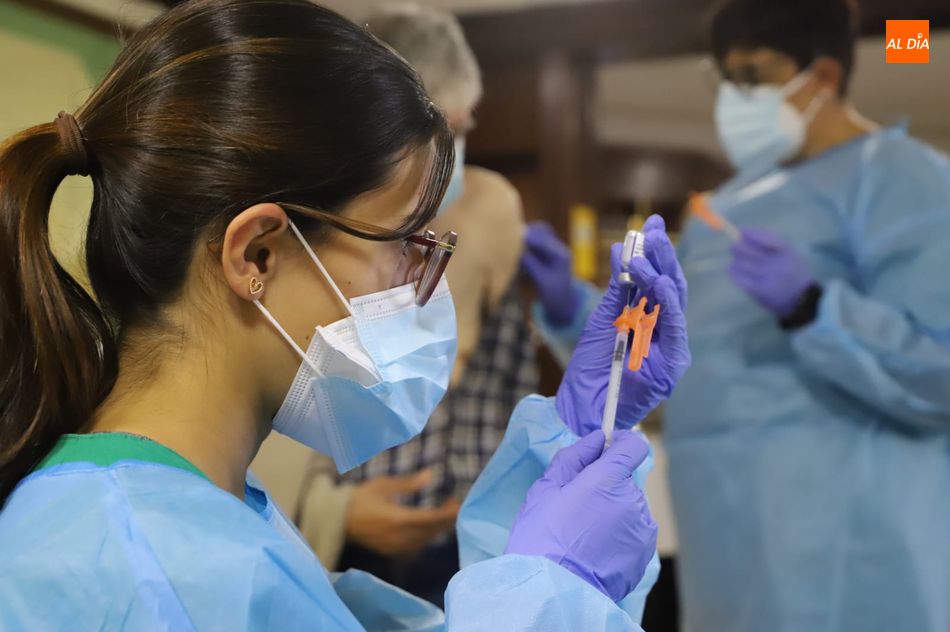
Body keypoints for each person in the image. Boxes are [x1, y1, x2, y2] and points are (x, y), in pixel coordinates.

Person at [0, 1, 691, 629]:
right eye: (401, 244)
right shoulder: (136, 561)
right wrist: (554, 592)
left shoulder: (196, 517)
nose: (421, 289)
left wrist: (571, 441)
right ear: (258, 256)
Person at [665, 1, 950, 630]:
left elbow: (941, 370)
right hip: (725, 553)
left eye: (752, 75)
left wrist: (813, 309)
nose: (735, 98)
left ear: (822, 76)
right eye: (725, 79)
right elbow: (673, 362)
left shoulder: (903, 181)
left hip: (856, 557)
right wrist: (570, 309)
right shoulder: (724, 208)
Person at [252, 4, 535, 604]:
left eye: (464, 125)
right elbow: (265, 392)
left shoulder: (492, 211)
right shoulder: (313, 238)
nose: (452, 153)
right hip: (336, 540)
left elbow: (497, 375)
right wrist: (330, 512)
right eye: (440, 127)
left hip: (471, 538)